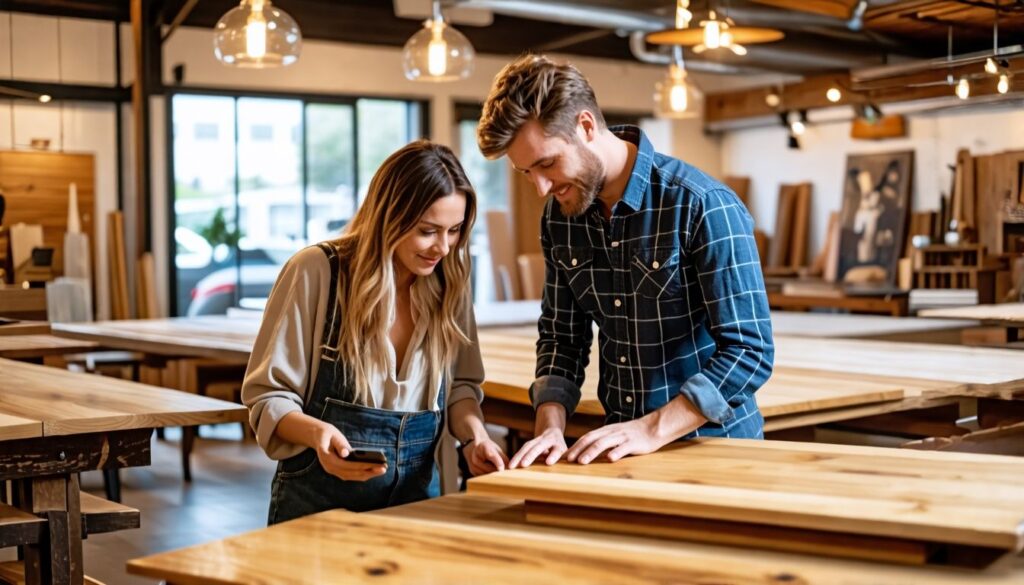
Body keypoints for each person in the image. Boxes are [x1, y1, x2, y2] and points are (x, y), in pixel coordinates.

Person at [476, 55, 774, 469]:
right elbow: (563, 336)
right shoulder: (561, 218)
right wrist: (550, 424)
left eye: (547, 163)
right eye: (527, 172)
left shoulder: (702, 205)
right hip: (624, 446)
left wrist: (651, 429)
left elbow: (750, 351)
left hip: (714, 448)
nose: (541, 187)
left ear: (585, 126)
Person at [243, 140, 508, 524]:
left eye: (454, 231)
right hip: (317, 508)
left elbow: (460, 390)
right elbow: (269, 397)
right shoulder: (318, 271)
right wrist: (317, 435)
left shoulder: (449, 283)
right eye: (428, 230)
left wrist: (474, 438)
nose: (444, 248)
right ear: (389, 216)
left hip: (418, 507)